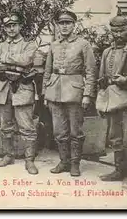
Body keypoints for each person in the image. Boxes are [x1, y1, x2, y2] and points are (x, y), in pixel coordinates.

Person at [43, 10, 97, 177]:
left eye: (68, 23)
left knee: (76, 131)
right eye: (61, 23)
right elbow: (48, 70)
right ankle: (64, 161)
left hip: (74, 92)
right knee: (59, 131)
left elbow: (91, 71)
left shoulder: (83, 44)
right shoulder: (54, 44)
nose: (64, 26)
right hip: (55, 92)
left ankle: (75, 163)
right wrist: (45, 92)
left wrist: (87, 94)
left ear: (74, 25)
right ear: (57, 26)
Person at [0, 13, 39, 175]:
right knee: (5, 125)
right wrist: (16, 66)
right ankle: (8, 155)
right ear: (4, 28)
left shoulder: (29, 44)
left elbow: (26, 60)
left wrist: (7, 59)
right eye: (7, 26)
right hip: (3, 89)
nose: (11, 29)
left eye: (14, 25)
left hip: (22, 89)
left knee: (27, 126)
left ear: (19, 26)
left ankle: (29, 160)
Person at [96, 15, 127, 189]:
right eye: (114, 31)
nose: (118, 34)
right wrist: (101, 97)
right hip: (111, 101)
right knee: (115, 138)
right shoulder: (107, 52)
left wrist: (126, 80)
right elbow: (102, 79)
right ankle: (119, 170)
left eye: (121, 30)